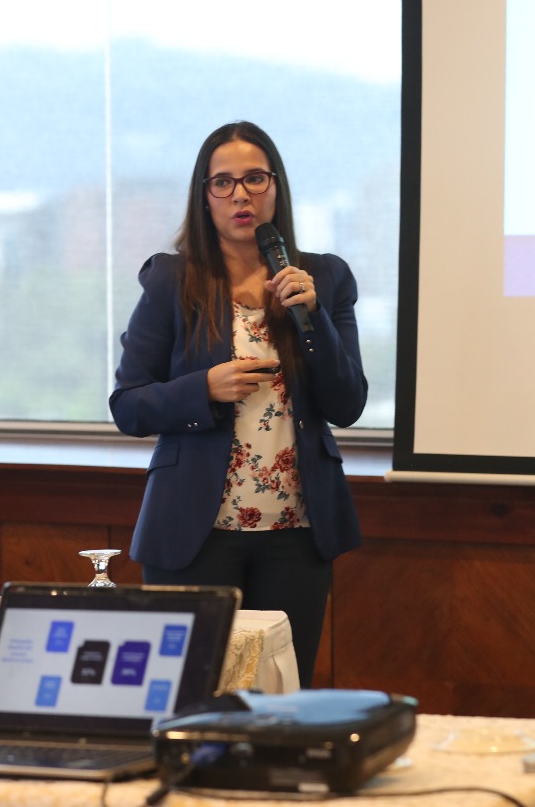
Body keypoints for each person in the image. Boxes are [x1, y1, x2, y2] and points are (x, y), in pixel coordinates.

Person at [110, 121, 367, 689]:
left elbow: (347, 403)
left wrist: (314, 315)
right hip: (195, 531)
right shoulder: (172, 281)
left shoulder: (323, 276)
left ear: (276, 186)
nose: (241, 195)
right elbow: (128, 405)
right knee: (188, 693)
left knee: (279, 697)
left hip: (297, 531)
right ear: (204, 197)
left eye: (254, 179)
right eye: (222, 183)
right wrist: (202, 387)